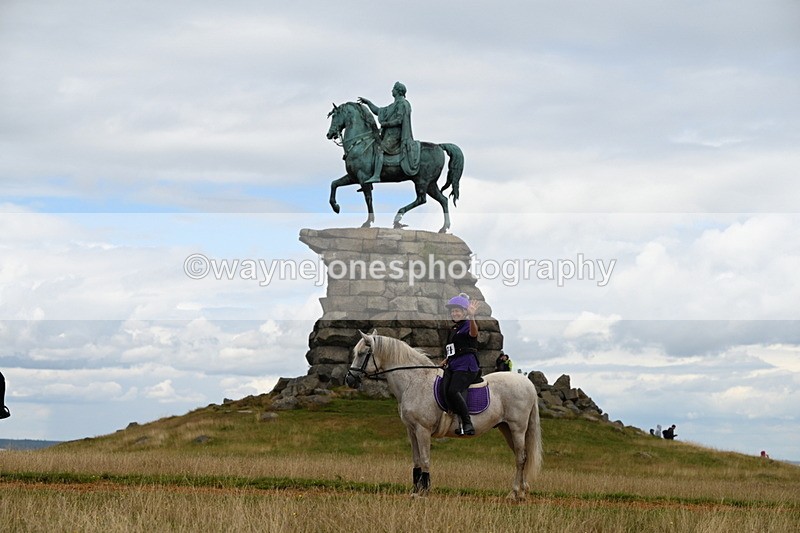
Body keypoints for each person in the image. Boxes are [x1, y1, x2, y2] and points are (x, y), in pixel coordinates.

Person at [358, 81, 420, 185]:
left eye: (393, 89)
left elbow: (399, 120)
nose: (392, 90)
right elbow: (378, 111)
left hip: (396, 135)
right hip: (389, 134)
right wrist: (368, 103)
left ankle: (377, 175)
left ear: (398, 91)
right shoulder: (393, 105)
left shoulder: (403, 104)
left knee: (379, 149)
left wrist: (386, 124)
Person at [441, 293, 480, 436]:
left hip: (467, 366)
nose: (454, 313)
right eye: (453, 311)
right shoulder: (454, 329)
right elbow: (452, 349)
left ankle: (467, 423)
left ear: (464, 312)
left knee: (453, 390)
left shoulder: (468, 325)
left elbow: (474, 333)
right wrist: (446, 360)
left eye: (457, 311)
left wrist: (472, 317)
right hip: (453, 364)